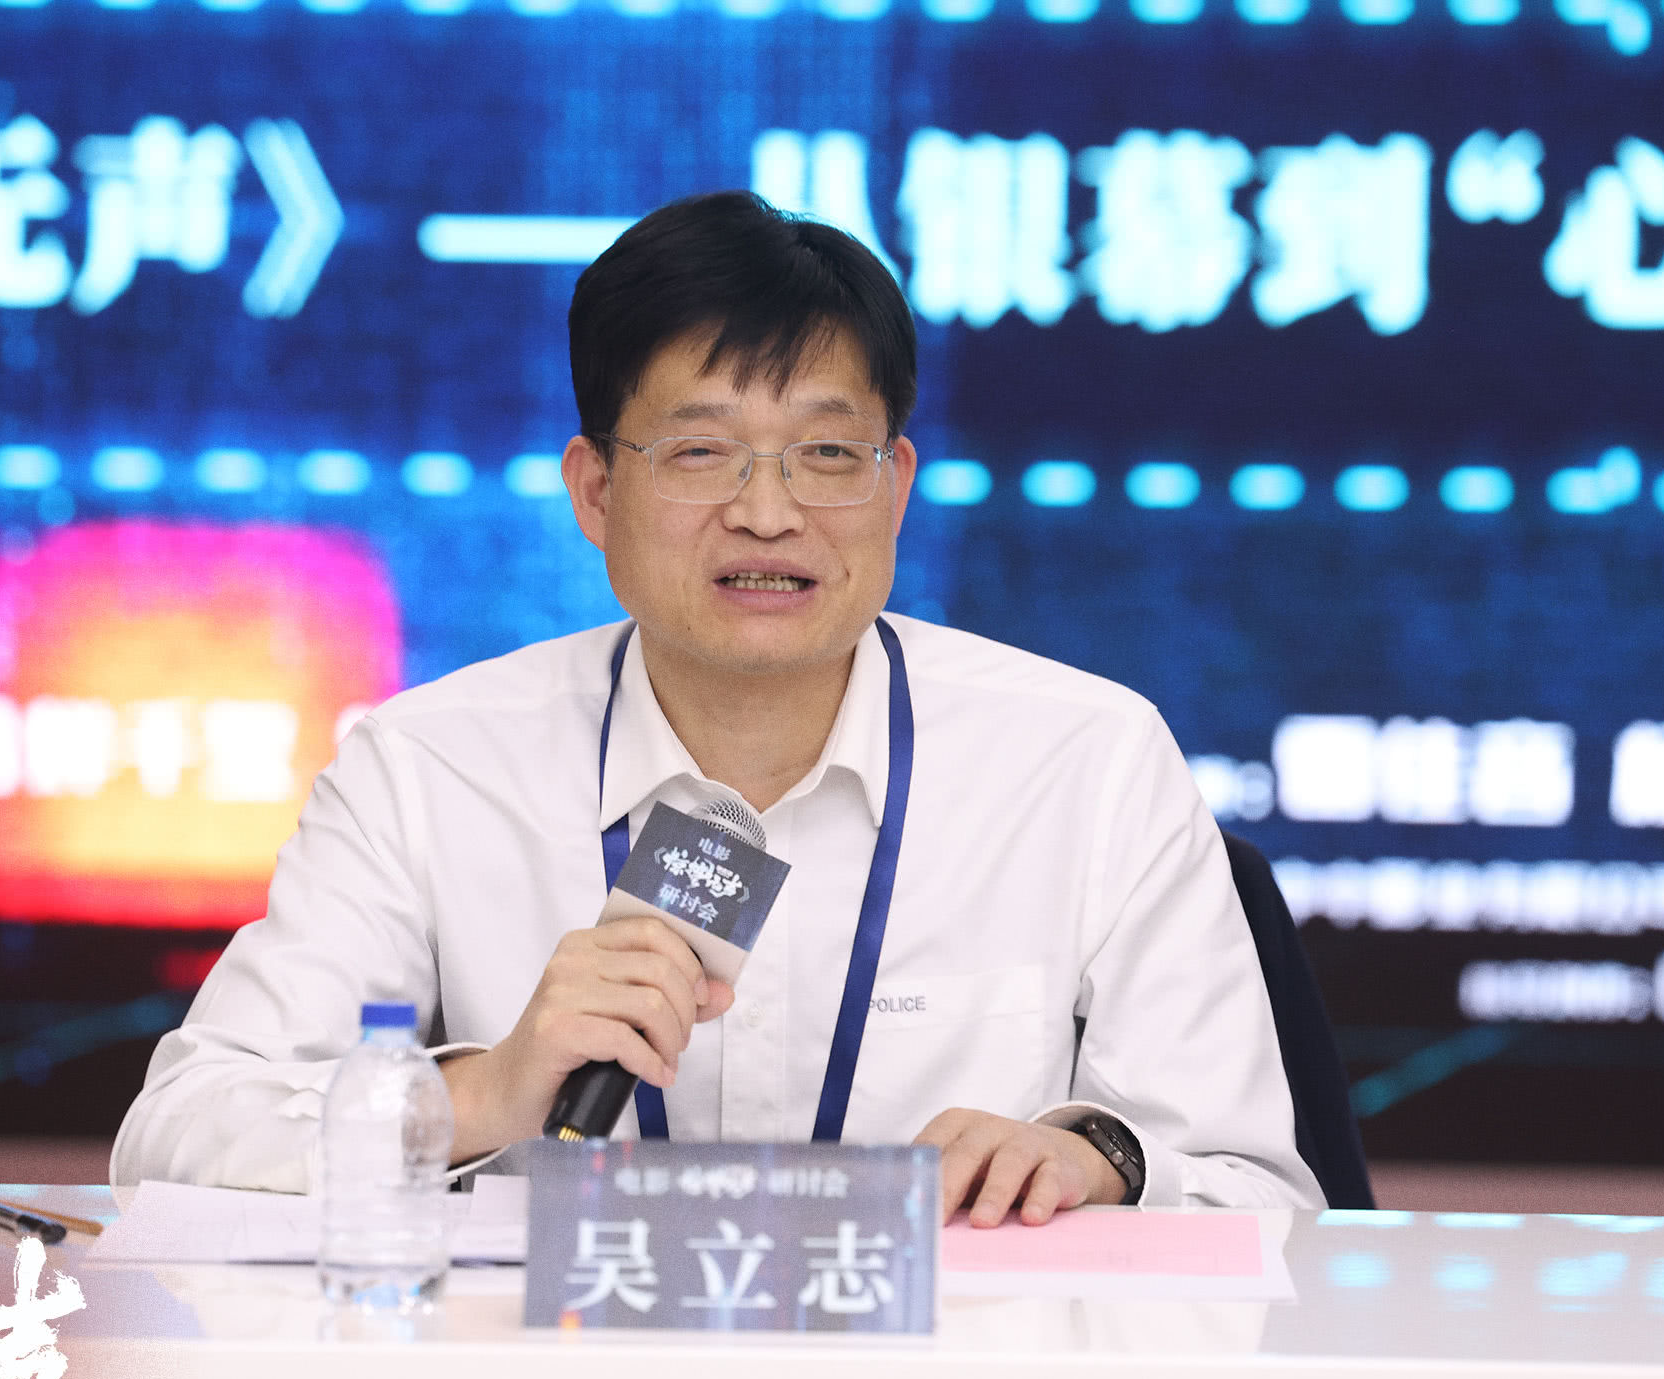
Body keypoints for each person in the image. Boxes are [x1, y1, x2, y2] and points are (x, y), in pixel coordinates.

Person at [113, 191, 1322, 1222]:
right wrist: (484, 1091)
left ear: (895, 486)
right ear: (594, 490)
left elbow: (1261, 1195)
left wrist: (1101, 1160)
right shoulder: (428, 767)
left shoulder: (1086, 760)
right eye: (701, 453)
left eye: (826, 454)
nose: (767, 513)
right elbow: (176, 1133)